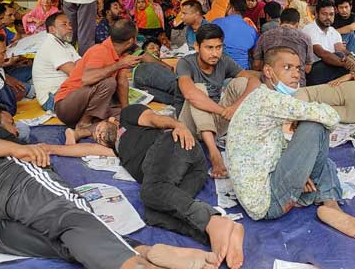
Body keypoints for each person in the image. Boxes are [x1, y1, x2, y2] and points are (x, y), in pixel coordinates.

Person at [0, 103, 222, 269]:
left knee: (62, 242)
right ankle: (141, 261)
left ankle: (146, 253)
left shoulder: (125, 121)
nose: (16, 129)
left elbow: (150, 121)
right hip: (8, 185)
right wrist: (20, 150)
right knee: (72, 214)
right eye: (10, 122)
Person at [227, 47, 355, 241]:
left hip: (266, 191)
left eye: (297, 68)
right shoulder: (269, 100)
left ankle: (331, 207)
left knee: (321, 158)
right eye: (287, 67)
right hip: (268, 203)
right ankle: (330, 203)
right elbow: (330, 116)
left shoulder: (260, 97)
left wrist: (300, 171)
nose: (295, 74)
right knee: (315, 125)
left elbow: (269, 148)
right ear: (268, 71)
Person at [91, 105, 245, 268]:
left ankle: (213, 221)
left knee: (151, 190)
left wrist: (178, 125)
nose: (98, 135)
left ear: (112, 120)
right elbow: (78, 148)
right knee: (153, 215)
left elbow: (155, 119)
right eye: (97, 137)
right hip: (188, 173)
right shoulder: (117, 151)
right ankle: (223, 233)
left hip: (175, 145)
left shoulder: (127, 117)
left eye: (99, 129)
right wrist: (72, 135)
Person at [175, 24, 260, 178]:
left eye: (218, 47)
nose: (215, 53)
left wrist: (234, 107)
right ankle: (214, 153)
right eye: (209, 48)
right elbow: (189, 94)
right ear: (197, 46)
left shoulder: (224, 61)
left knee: (242, 83)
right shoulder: (185, 63)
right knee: (198, 89)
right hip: (190, 124)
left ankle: (252, 139)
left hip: (217, 121)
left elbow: (254, 81)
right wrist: (223, 111)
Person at [54, 19, 140, 130]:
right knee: (109, 83)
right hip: (66, 106)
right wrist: (119, 65)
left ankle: (88, 125)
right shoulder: (100, 50)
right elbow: (87, 79)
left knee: (128, 114)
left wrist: (125, 110)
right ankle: (84, 123)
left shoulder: (122, 55)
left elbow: (122, 82)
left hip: (83, 106)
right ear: (130, 41)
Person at [33, 13, 81, 112]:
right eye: (64, 24)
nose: (70, 27)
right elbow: (76, 74)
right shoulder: (51, 45)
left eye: (70, 24)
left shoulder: (67, 45)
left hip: (65, 91)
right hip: (52, 99)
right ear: (52, 30)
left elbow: (82, 64)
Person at [253, 8, 313, 87]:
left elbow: (256, 65)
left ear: (280, 21)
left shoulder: (265, 36)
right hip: (297, 86)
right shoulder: (305, 38)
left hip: (270, 85)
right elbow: (307, 69)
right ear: (298, 24)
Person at [212, 0, 259, 70]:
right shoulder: (252, 30)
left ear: (232, 8)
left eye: (228, 7)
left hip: (218, 68)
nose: (226, 9)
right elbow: (256, 53)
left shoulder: (216, 22)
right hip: (242, 71)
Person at [133, 38, 177, 105]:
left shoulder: (159, 65)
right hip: (143, 74)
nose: (156, 50)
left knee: (174, 99)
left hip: (147, 90)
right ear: (144, 50)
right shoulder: (143, 63)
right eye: (152, 48)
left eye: (158, 49)